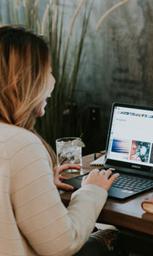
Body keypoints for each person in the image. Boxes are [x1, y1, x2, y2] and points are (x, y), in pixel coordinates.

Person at [0, 26, 120, 255]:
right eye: (48, 72)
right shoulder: (22, 144)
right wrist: (91, 191)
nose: (53, 81)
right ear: (26, 81)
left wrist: (39, 181)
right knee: (109, 239)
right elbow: (62, 244)